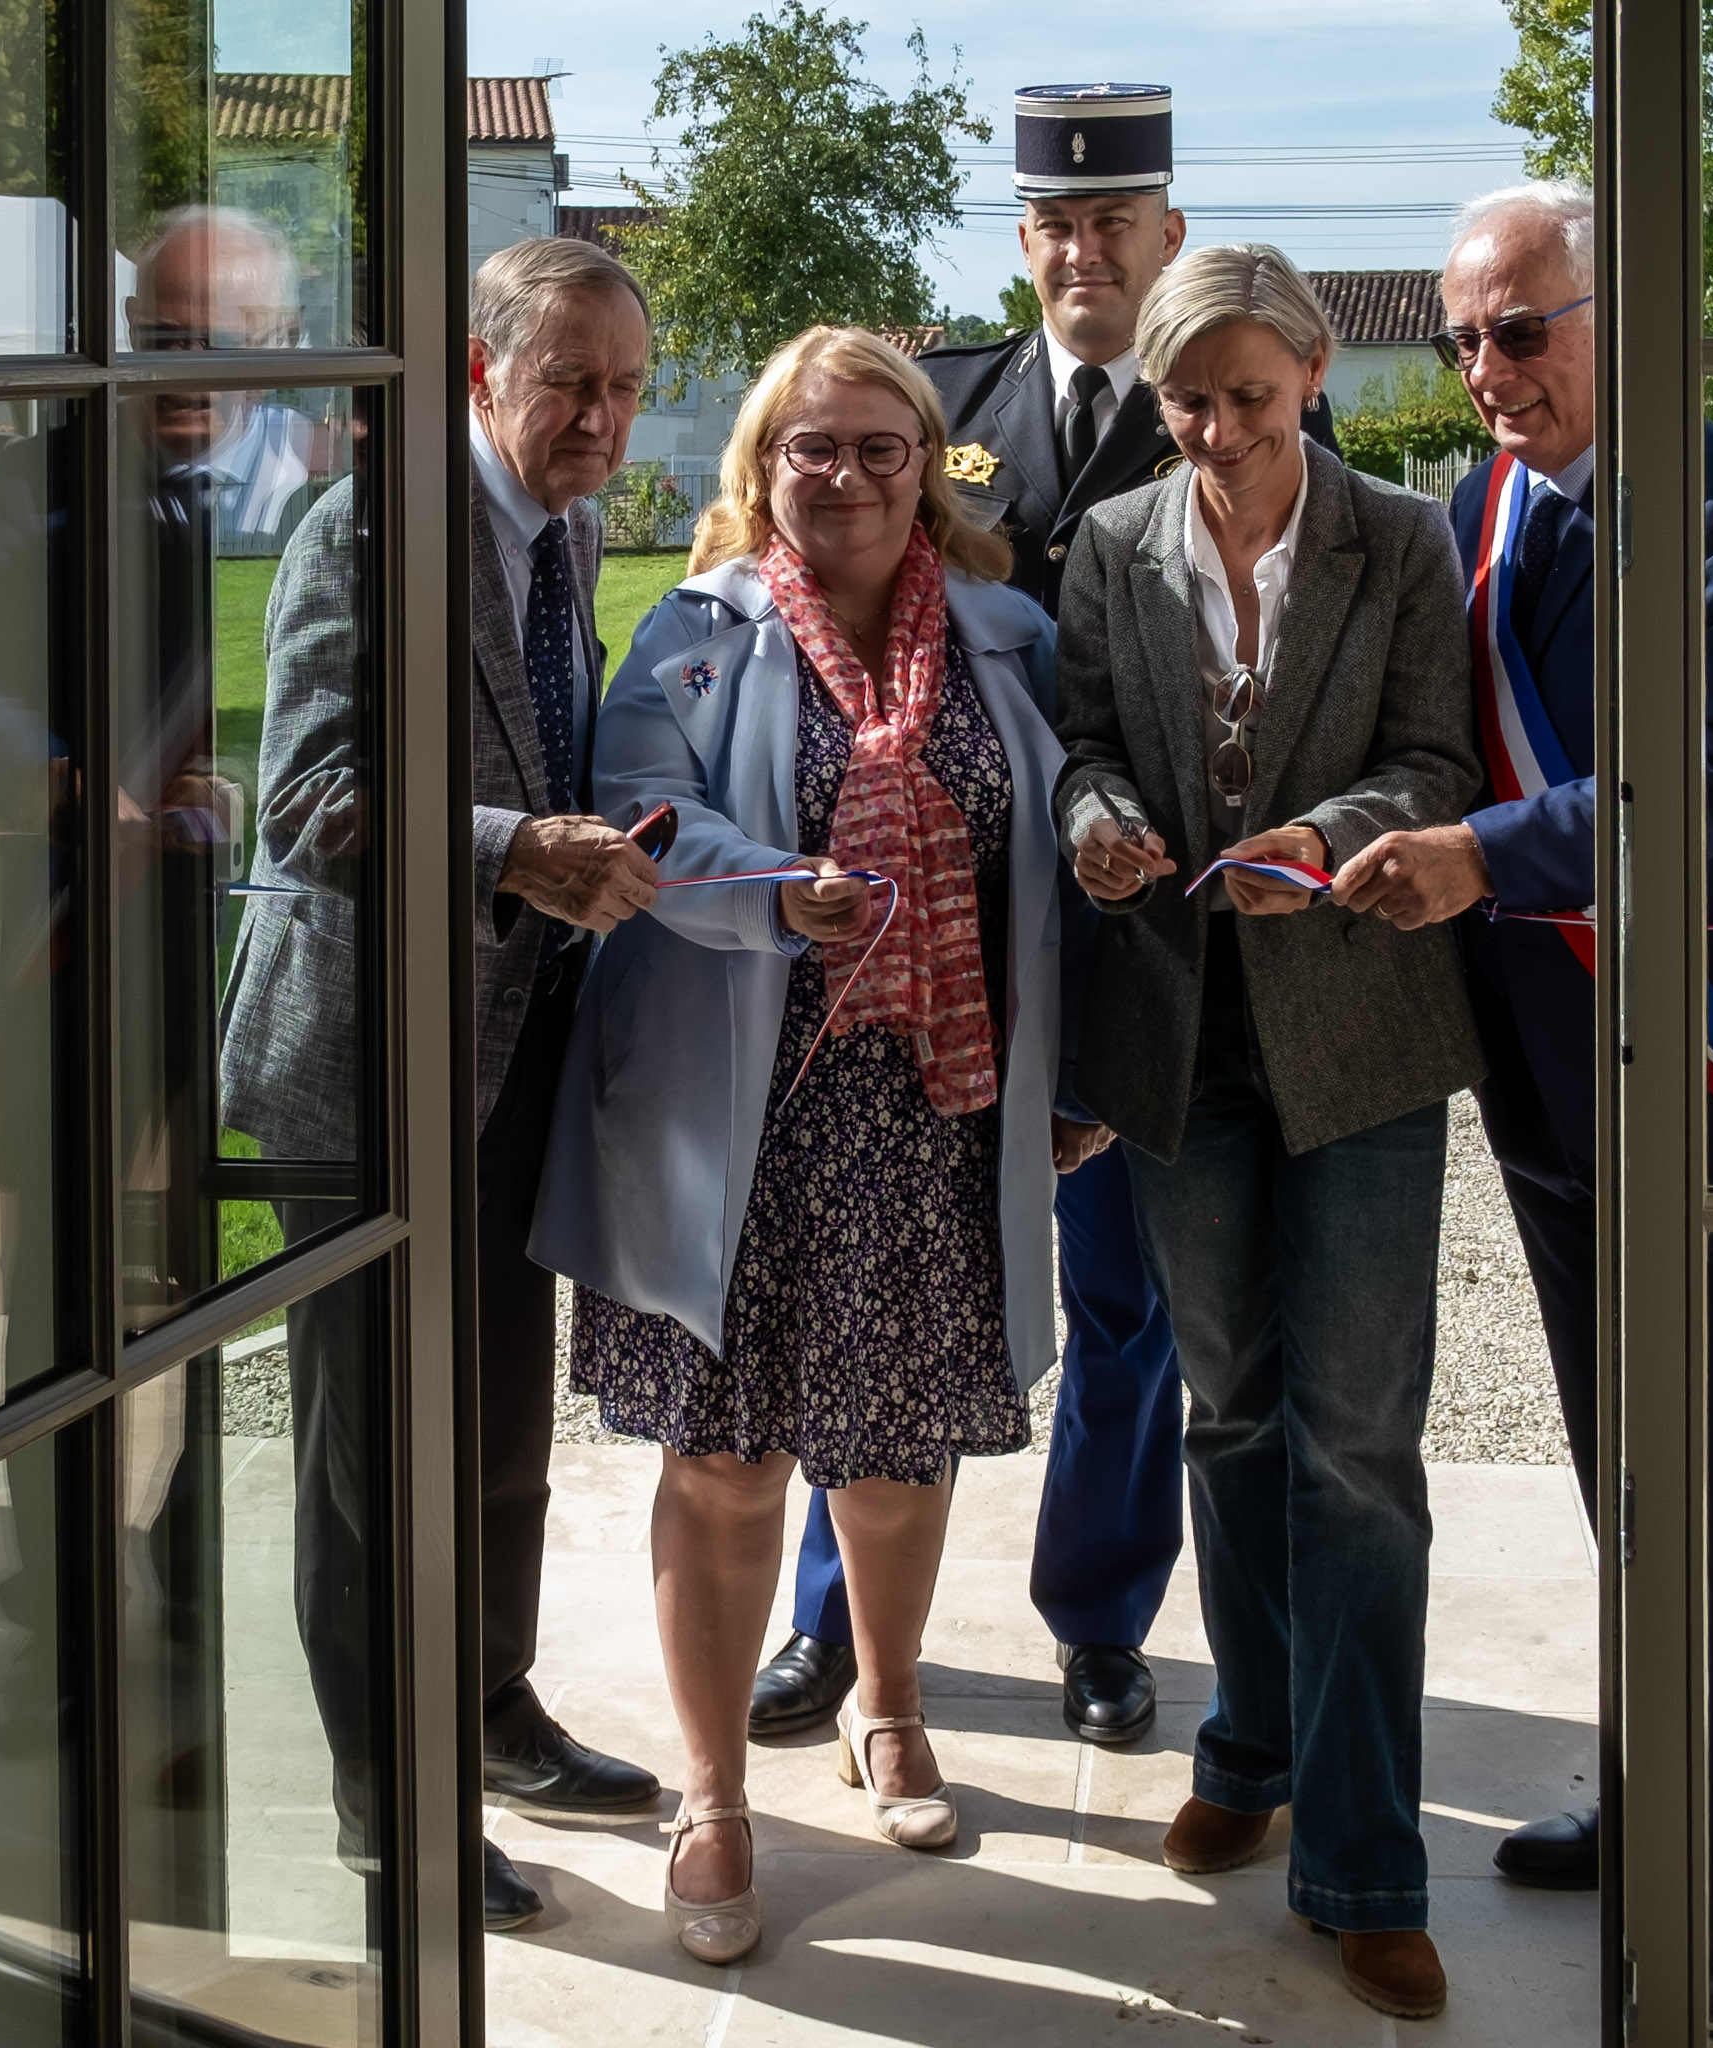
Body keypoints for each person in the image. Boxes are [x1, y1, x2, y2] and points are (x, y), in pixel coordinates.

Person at [1329, 180, 1713, 2024]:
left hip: (1710, 1066)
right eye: (1461, 334)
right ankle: (1664, 1783)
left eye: (1521, 328)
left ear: (1618, 314)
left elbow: (1704, 785)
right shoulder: (1484, 508)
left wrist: (1473, 856)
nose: (1484, 369)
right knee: (1611, 1462)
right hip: (1550, 1074)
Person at [753, 80, 1348, 1755]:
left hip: (1138, 956)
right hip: (938, 945)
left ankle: (1096, 1616)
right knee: (867, 1279)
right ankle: (829, 1621)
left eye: (1113, 222)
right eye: (1053, 224)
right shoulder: (941, 413)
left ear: (1166, 231)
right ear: (1022, 241)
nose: (1082, 249)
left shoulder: (1225, 414)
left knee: (1128, 1307)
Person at [535, 325, 1069, 1965]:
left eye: (877, 447)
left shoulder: (1007, 635)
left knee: (900, 1452)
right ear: (761, 462)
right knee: (724, 1463)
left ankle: (888, 1708)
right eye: (809, 446)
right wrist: (778, 889)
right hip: (735, 1113)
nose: (842, 475)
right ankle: (712, 1792)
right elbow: (639, 813)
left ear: (928, 466)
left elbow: (1058, 854)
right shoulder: (692, 632)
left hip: (927, 1115)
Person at [218, 234, 664, 1934]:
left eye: (623, 387)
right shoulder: (367, 527)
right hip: (363, 1073)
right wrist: (512, 852)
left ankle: (489, 1711)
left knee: (494, 1430)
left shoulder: (568, 529)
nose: (604, 420)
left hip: (511, 1053)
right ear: (482, 371)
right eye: (572, 384)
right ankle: (380, 1808)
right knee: (365, 1466)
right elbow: (310, 800)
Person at [1056, 242, 1483, 2021]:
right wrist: (1090, 819)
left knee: (1356, 1445)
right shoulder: (1107, 545)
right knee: (1224, 1407)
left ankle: (1368, 1856)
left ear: (1311, 370)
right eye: (1188, 402)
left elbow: (1438, 765)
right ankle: (1246, 1742)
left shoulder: (1402, 538)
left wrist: (1329, 834)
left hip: (1361, 1038)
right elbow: (1078, 738)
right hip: (1180, 1040)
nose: (1219, 431)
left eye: (1247, 395)